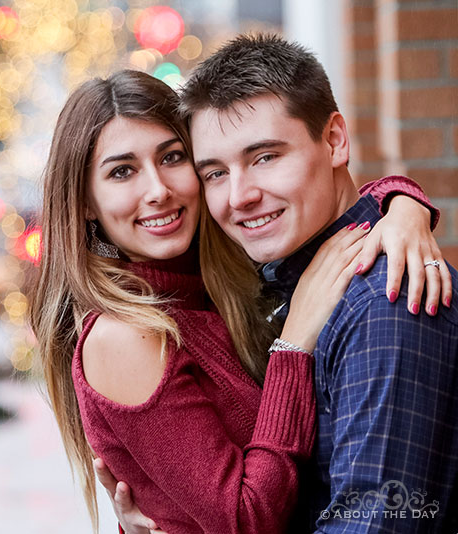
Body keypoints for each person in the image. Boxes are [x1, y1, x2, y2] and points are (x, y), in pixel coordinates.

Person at [28, 69, 445, 533]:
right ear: (85, 201)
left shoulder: (220, 288)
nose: (158, 189)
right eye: (122, 171)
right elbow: (244, 519)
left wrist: (403, 204)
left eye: (172, 157)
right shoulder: (126, 335)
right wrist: (292, 346)